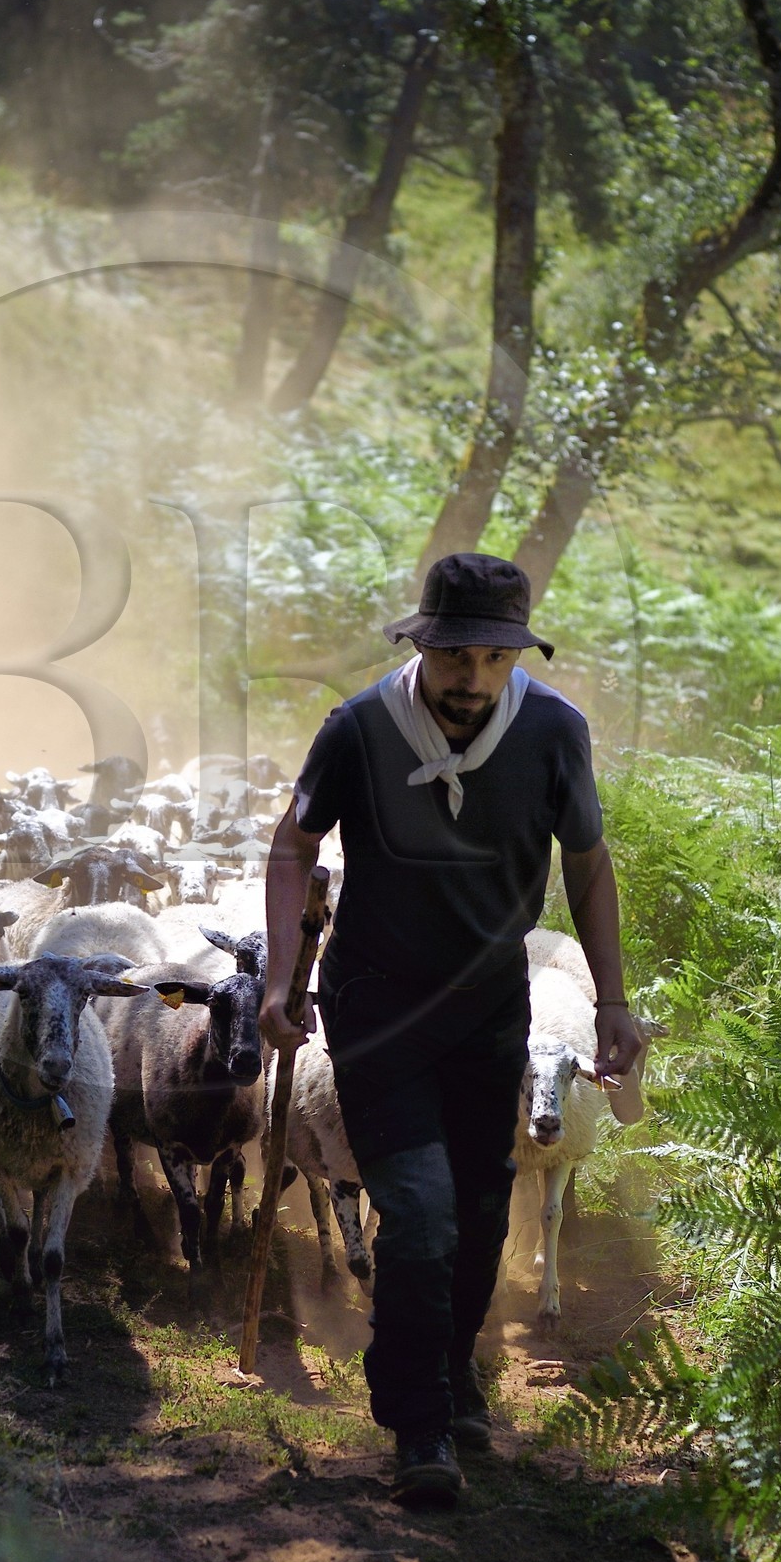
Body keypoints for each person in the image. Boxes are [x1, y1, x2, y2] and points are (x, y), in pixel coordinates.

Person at [260, 551, 643, 1509]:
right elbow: (294, 843)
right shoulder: (357, 728)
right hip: (378, 1004)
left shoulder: (554, 731)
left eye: (493, 659)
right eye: (455, 656)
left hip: (488, 1004)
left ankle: (456, 1369)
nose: (471, 678)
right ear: (421, 643)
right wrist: (278, 976)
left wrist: (612, 999)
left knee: (480, 1208)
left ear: (516, 655)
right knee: (421, 1210)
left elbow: (589, 867)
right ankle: (419, 1421)